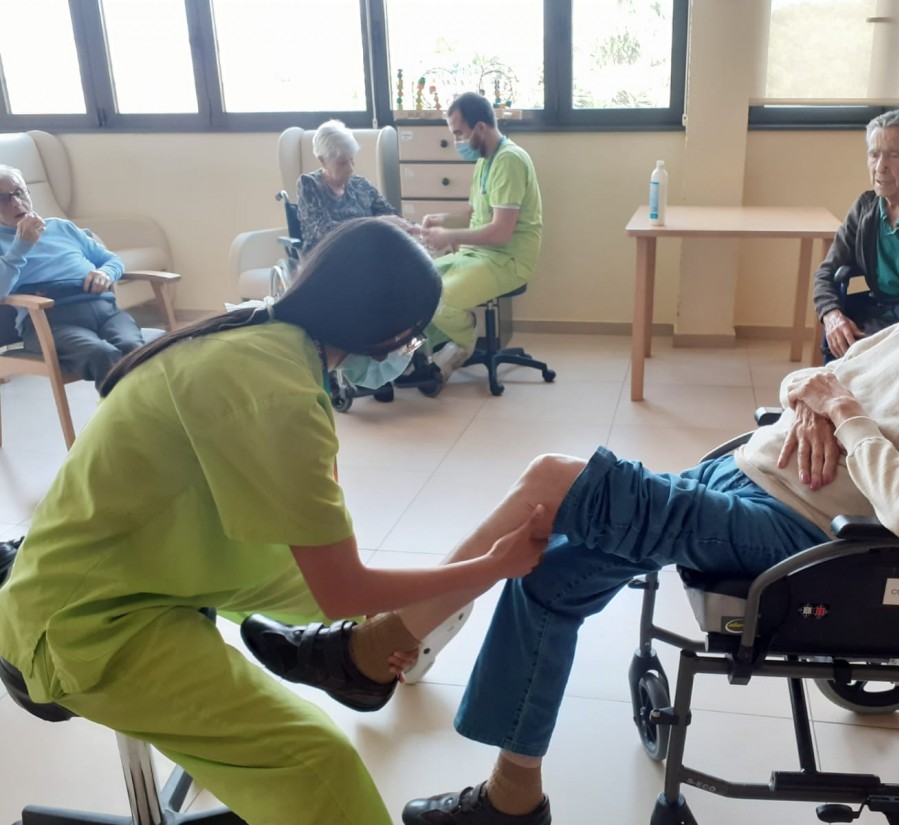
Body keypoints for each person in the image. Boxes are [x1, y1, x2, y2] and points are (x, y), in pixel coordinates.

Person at [244, 186, 899, 824]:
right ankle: (511, 796)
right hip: (745, 482)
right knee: (552, 573)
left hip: (805, 541)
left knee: (554, 476)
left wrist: (847, 414)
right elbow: (817, 375)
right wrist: (812, 404)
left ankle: (374, 649)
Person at [0, 218, 550, 825]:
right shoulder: (278, 394)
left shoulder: (260, 331)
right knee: (319, 762)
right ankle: (350, 660)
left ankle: (352, 655)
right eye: (415, 339)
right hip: (85, 623)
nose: (408, 351)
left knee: (350, 609)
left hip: (146, 561)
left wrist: (372, 625)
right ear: (390, 330)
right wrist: (492, 566)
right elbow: (343, 586)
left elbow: (310, 555)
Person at [417, 92, 543, 384]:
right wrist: (441, 219)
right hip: (478, 255)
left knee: (439, 299)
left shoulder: (509, 161)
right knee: (418, 285)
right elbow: (475, 212)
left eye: (459, 133)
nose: (457, 142)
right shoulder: (486, 160)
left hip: (508, 261)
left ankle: (464, 343)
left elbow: (501, 231)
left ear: (480, 128)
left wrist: (449, 235)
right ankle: (428, 356)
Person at [814, 109, 899, 360]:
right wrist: (831, 314)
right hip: (879, 308)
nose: (881, 166)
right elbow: (827, 272)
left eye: (894, 154)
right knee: (843, 339)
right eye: (874, 154)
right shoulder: (865, 208)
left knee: (883, 358)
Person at [0, 165, 147, 388]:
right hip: (51, 323)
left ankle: (149, 408)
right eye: (3, 199)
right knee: (102, 355)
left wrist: (105, 273)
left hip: (105, 311)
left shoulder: (61, 227)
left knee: (134, 350)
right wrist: (20, 246)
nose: (16, 203)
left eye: (19, 192)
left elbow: (112, 260)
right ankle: (129, 410)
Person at [297, 119, 414, 255]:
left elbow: (390, 215)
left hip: (364, 254)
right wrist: (374, 223)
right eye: (342, 163)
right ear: (322, 160)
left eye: (352, 160)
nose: (350, 168)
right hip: (326, 258)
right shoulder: (309, 185)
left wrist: (414, 227)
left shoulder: (361, 185)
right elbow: (325, 231)